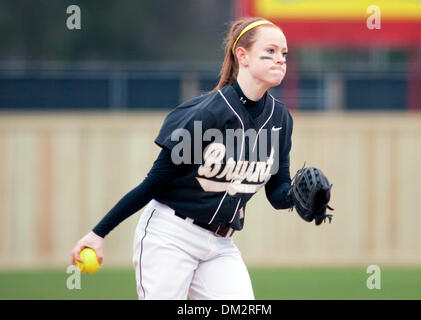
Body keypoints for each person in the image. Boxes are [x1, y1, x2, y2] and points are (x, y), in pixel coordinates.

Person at [71, 16, 293, 300]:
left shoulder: (280, 119)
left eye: (284, 53)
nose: (280, 60)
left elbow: (278, 192)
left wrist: (299, 198)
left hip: (221, 246)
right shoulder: (207, 115)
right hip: (170, 237)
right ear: (243, 56)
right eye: (271, 51)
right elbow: (154, 183)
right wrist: (98, 233)